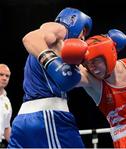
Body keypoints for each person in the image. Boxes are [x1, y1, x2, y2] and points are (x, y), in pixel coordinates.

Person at [60, 32, 126, 148]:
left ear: (108, 55)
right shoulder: (93, 81)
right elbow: (65, 76)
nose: (92, 68)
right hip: (122, 141)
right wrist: (65, 49)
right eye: (87, 64)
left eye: (95, 61)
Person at [8, 7, 92, 148]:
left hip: (24, 120)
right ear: (73, 22)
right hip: (48, 117)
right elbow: (30, 38)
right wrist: (52, 62)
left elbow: (79, 79)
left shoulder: (63, 54)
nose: (83, 38)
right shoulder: (60, 29)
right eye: (82, 32)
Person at [0, 64, 12, 148]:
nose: (4, 78)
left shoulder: (6, 101)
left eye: (7, 76)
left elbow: (6, 128)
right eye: (1, 74)